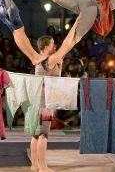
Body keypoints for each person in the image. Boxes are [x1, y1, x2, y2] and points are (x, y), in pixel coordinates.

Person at [29, 14, 81, 172]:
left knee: (36, 135)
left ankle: (35, 165)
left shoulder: (43, 60)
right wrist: (75, 26)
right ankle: (43, 166)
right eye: (52, 44)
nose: (55, 46)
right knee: (44, 134)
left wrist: (61, 65)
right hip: (44, 101)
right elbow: (66, 46)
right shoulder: (47, 60)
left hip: (40, 99)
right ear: (45, 47)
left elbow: (55, 78)